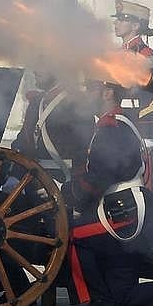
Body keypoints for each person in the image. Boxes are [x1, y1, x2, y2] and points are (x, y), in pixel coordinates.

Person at [67, 77, 153, 306]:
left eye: (91, 89)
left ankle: (95, 299)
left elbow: (106, 172)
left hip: (124, 210)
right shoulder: (114, 123)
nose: (86, 95)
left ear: (108, 92)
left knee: (76, 235)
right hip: (121, 207)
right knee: (121, 296)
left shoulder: (112, 127)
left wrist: (72, 193)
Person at [10, 72, 94, 208]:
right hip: (34, 183)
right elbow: (23, 142)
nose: (35, 71)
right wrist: (14, 176)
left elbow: (84, 151)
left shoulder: (76, 103)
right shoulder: (37, 102)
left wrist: (68, 188)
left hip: (63, 183)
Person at [113, 0, 153, 191]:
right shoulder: (117, 53)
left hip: (140, 125)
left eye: (121, 19)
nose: (116, 23)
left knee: (144, 177)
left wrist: (148, 132)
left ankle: (151, 217)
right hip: (119, 122)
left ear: (135, 25)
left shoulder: (145, 54)